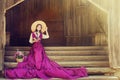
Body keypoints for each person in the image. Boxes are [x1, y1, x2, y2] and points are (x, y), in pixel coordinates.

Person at [4, 20, 88, 79]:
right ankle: (37, 67)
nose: (39, 28)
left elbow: (47, 36)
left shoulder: (41, 34)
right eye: (38, 27)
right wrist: (34, 40)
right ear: (36, 27)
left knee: (40, 57)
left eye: (40, 27)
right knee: (35, 57)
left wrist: (46, 31)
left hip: (40, 47)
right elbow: (30, 41)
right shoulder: (32, 33)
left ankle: (39, 67)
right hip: (34, 46)